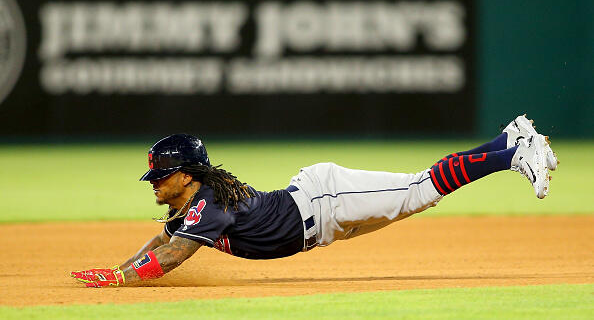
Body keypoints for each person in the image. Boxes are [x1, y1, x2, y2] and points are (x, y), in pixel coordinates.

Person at [71, 114, 558, 287]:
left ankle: (513, 153)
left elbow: (172, 255)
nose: (153, 183)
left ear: (185, 175)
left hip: (327, 200)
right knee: (418, 195)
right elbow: (162, 239)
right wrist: (121, 269)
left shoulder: (209, 204)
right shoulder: (194, 204)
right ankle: (509, 139)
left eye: (160, 175)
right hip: (324, 222)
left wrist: (120, 279)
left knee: (419, 188)